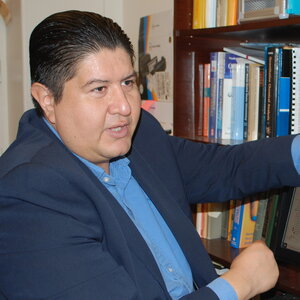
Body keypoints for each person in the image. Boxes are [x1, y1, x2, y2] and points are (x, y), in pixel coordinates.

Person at [0, 10, 299, 300]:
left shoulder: (138, 135)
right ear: (48, 100)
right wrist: (241, 284)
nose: (125, 107)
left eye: (128, 83)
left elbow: (227, 168)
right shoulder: (27, 196)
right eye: (99, 89)